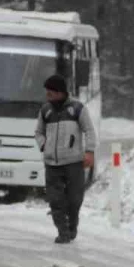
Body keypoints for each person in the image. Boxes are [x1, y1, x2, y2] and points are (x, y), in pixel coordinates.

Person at [35, 74, 97, 244]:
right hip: (52, 164)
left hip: (73, 163)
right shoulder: (45, 110)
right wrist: (43, 145)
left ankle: (72, 226)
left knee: (74, 200)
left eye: (51, 92)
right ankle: (63, 232)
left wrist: (89, 152)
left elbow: (89, 131)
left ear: (60, 92)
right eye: (47, 92)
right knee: (55, 201)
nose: (48, 95)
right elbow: (38, 132)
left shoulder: (77, 109)